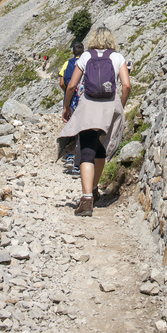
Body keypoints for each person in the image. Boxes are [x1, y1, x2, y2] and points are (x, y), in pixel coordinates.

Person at [57, 26, 131, 217]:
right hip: (110, 107)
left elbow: (72, 85)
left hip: (89, 106)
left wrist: (66, 107)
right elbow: (126, 85)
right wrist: (120, 106)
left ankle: (87, 198)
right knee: (101, 148)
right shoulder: (118, 57)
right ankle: (95, 189)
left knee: (87, 148)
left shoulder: (86, 57)